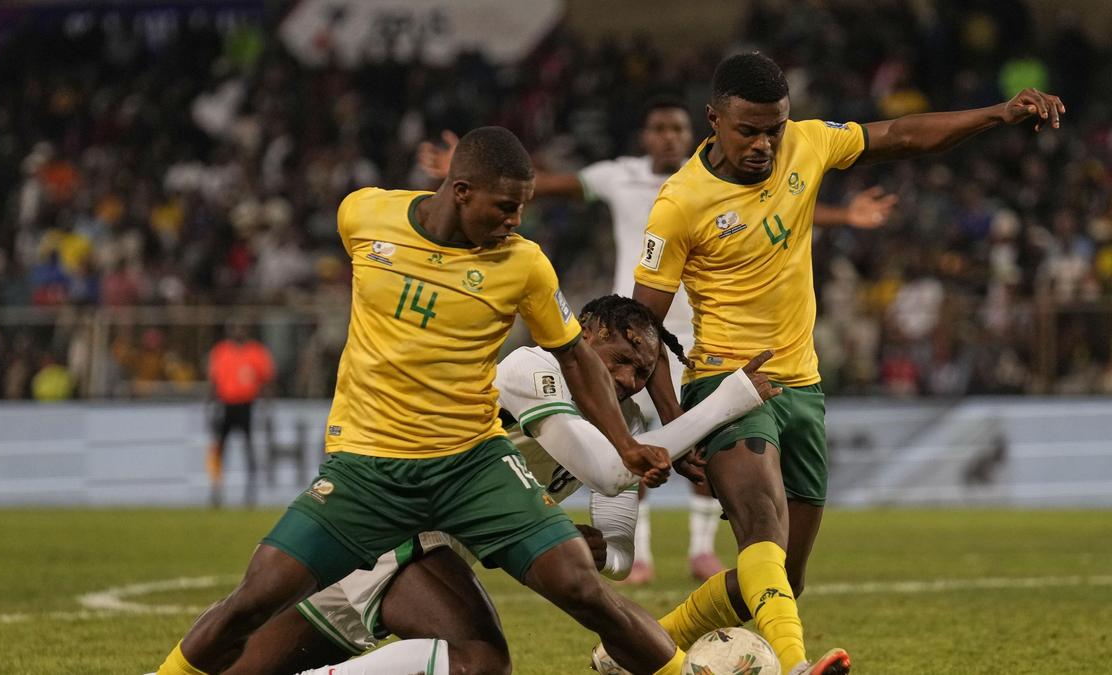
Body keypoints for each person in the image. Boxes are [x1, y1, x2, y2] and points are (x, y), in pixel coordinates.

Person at [155, 126, 690, 675]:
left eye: (522, 207)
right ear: (461, 191)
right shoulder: (364, 215)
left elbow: (575, 356)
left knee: (581, 589)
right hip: (369, 466)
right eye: (505, 207)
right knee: (253, 600)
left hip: (471, 465)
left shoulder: (525, 264)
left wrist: (626, 444)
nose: (516, 221)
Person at [627, 52, 1065, 675]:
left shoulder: (807, 144)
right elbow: (639, 330)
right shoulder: (680, 202)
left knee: (784, 579)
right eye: (748, 130)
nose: (763, 144)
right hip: (725, 383)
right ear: (714, 119)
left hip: (802, 385)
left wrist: (998, 113)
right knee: (761, 529)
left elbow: (903, 135)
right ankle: (795, 665)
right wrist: (677, 426)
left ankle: (629, 648)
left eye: (774, 128)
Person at [419, 97, 896, 584]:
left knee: (676, 446)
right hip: (632, 326)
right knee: (641, 444)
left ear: (692, 132)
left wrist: (844, 216)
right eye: (659, 128)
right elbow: (548, 185)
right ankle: (644, 549)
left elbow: (781, 209)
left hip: (692, 334)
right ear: (646, 136)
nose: (668, 137)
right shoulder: (620, 176)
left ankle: (700, 547)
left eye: (675, 129)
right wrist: (471, 171)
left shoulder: (712, 184)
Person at [219, 295, 779, 675]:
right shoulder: (531, 369)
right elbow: (609, 470)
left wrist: (605, 551)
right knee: (483, 660)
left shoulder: (626, 423)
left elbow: (619, 540)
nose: (629, 380)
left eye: (642, 372)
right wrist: (729, 400)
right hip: (396, 523)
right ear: (586, 335)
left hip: (429, 546)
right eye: (622, 359)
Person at [206, 322, 275, 508]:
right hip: (226, 405)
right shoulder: (221, 351)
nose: (238, 332)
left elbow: (266, 381)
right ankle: (216, 489)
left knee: (248, 449)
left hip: (246, 405)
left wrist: (267, 405)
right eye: (234, 328)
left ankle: (250, 491)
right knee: (219, 449)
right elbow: (214, 381)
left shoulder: (256, 352)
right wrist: (209, 405)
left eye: (241, 328)